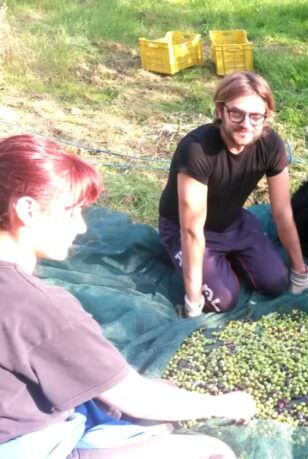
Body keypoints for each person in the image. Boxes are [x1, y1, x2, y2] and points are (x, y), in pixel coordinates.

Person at [0, 134, 255, 458]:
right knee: (211, 450)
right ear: (27, 210)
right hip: (23, 445)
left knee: (157, 402)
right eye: (70, 213)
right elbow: (135, 397)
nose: (80, 227)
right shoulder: (41, 309)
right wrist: (224, 403)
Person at [158, 71, 308, 317]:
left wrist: (300, 272)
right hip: (184, 227)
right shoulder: (197, 150)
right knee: (222, 301)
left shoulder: (271, 145)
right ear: (221, 111)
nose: (246, 124)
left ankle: (228, 261)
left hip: (234, 222)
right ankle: (185, 257)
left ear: (266, 116)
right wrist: (193, 302)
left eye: (255, 116)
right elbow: (191, 230)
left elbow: (282, 211)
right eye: (237, 113)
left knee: (276, 283)